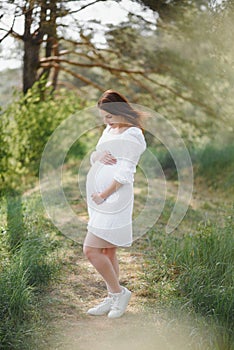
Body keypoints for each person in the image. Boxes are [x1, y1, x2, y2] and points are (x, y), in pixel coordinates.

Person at [83, 90, 146, 319]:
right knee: (108, 251)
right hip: (99, 199)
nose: (106, 121)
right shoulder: (110, 129)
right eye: (104, 117)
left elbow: (125, 172)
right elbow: (96, 155)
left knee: (90, 250)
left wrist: (104, 194)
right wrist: (96, 157)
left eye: (109, 116)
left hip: (114, 198)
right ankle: (112, 298)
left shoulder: (133, 134)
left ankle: (120, 293)